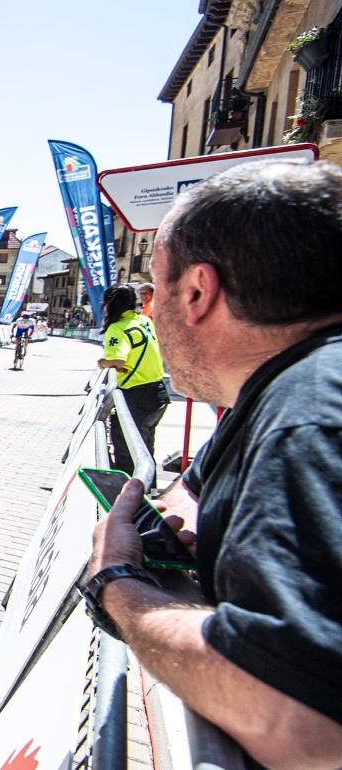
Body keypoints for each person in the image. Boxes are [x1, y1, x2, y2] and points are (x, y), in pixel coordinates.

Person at [85, 160, 342, 769]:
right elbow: (194, 489)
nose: (150, 314)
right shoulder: (281, 390)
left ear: (198, 291)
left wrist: (117, 583)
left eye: (157, 288)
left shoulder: (308, 415)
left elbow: (299, 719)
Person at [96, 283, 168, 485]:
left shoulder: (118, 329)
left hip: (135, 396)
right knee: (145, 448)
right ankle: (149, 492)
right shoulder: (145, 320)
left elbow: (117, 360)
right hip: (158, 393)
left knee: (127, 452)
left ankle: (124, 500)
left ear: (110, 305)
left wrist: (102, 363)